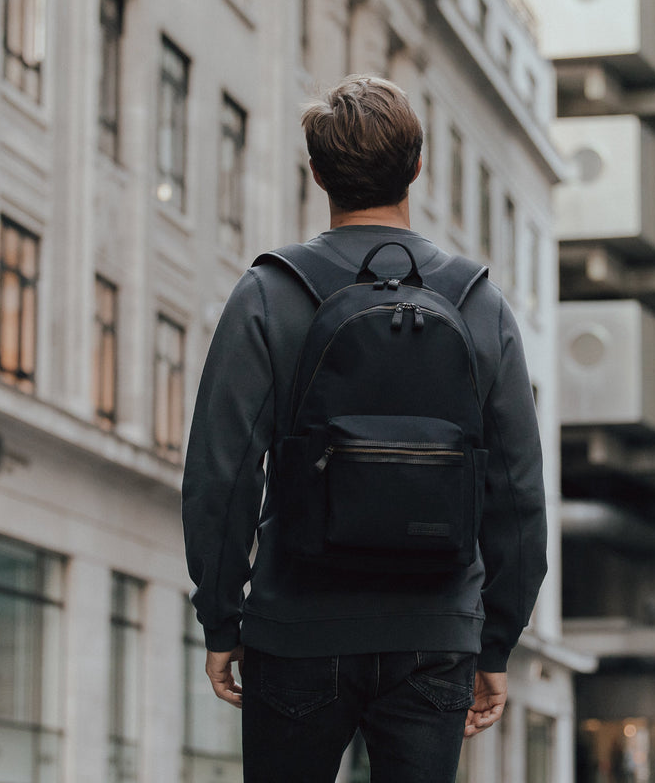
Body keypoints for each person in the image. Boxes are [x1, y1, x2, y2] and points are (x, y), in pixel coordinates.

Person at [182, 75, 548, 783]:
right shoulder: (479, 304)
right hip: (435, 637)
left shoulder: (269, 293)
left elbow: (220, 478)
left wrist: (222, 621)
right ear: (418, 166)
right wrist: (495, 640)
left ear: (316, 172)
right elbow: (519, 490)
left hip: (295, 632)